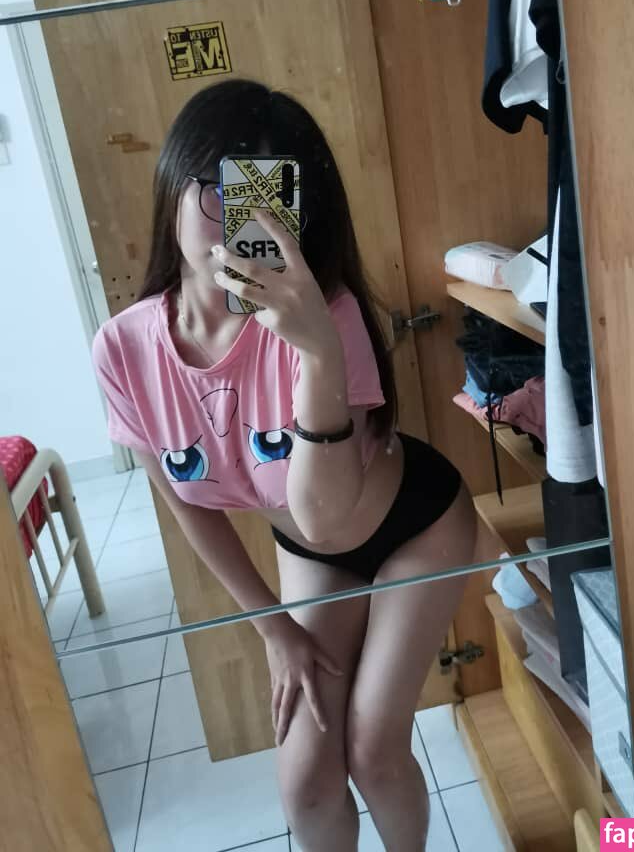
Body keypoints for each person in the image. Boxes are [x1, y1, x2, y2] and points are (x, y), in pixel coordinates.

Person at [91, 78, 477, 852]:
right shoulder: (124, 349)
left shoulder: (325, 316)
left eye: (272, 198)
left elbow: (325, 515)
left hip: (416, 527)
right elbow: (186, 502)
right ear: (173, 184)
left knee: (373, 748)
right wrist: (273, 628)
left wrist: (318, 351)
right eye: (223, 190)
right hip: (311, 550)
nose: (246, 223)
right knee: (304, 778)